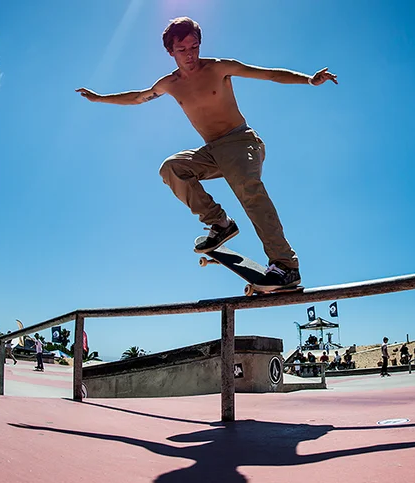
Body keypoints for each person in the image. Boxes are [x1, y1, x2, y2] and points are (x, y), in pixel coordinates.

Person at [76, 17, 337, 292]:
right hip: (212, 151)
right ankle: (220, 223)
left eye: (194, 47)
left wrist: (308, 80)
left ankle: (286, 266)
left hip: (240, 142)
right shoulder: (169, 84)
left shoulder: (219, 68)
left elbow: (268, 74)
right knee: (172, 168)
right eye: (182, 50)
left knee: (248, 189)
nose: (190, 55)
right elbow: (138, 97)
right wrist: (100, 98)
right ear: (171, 52)